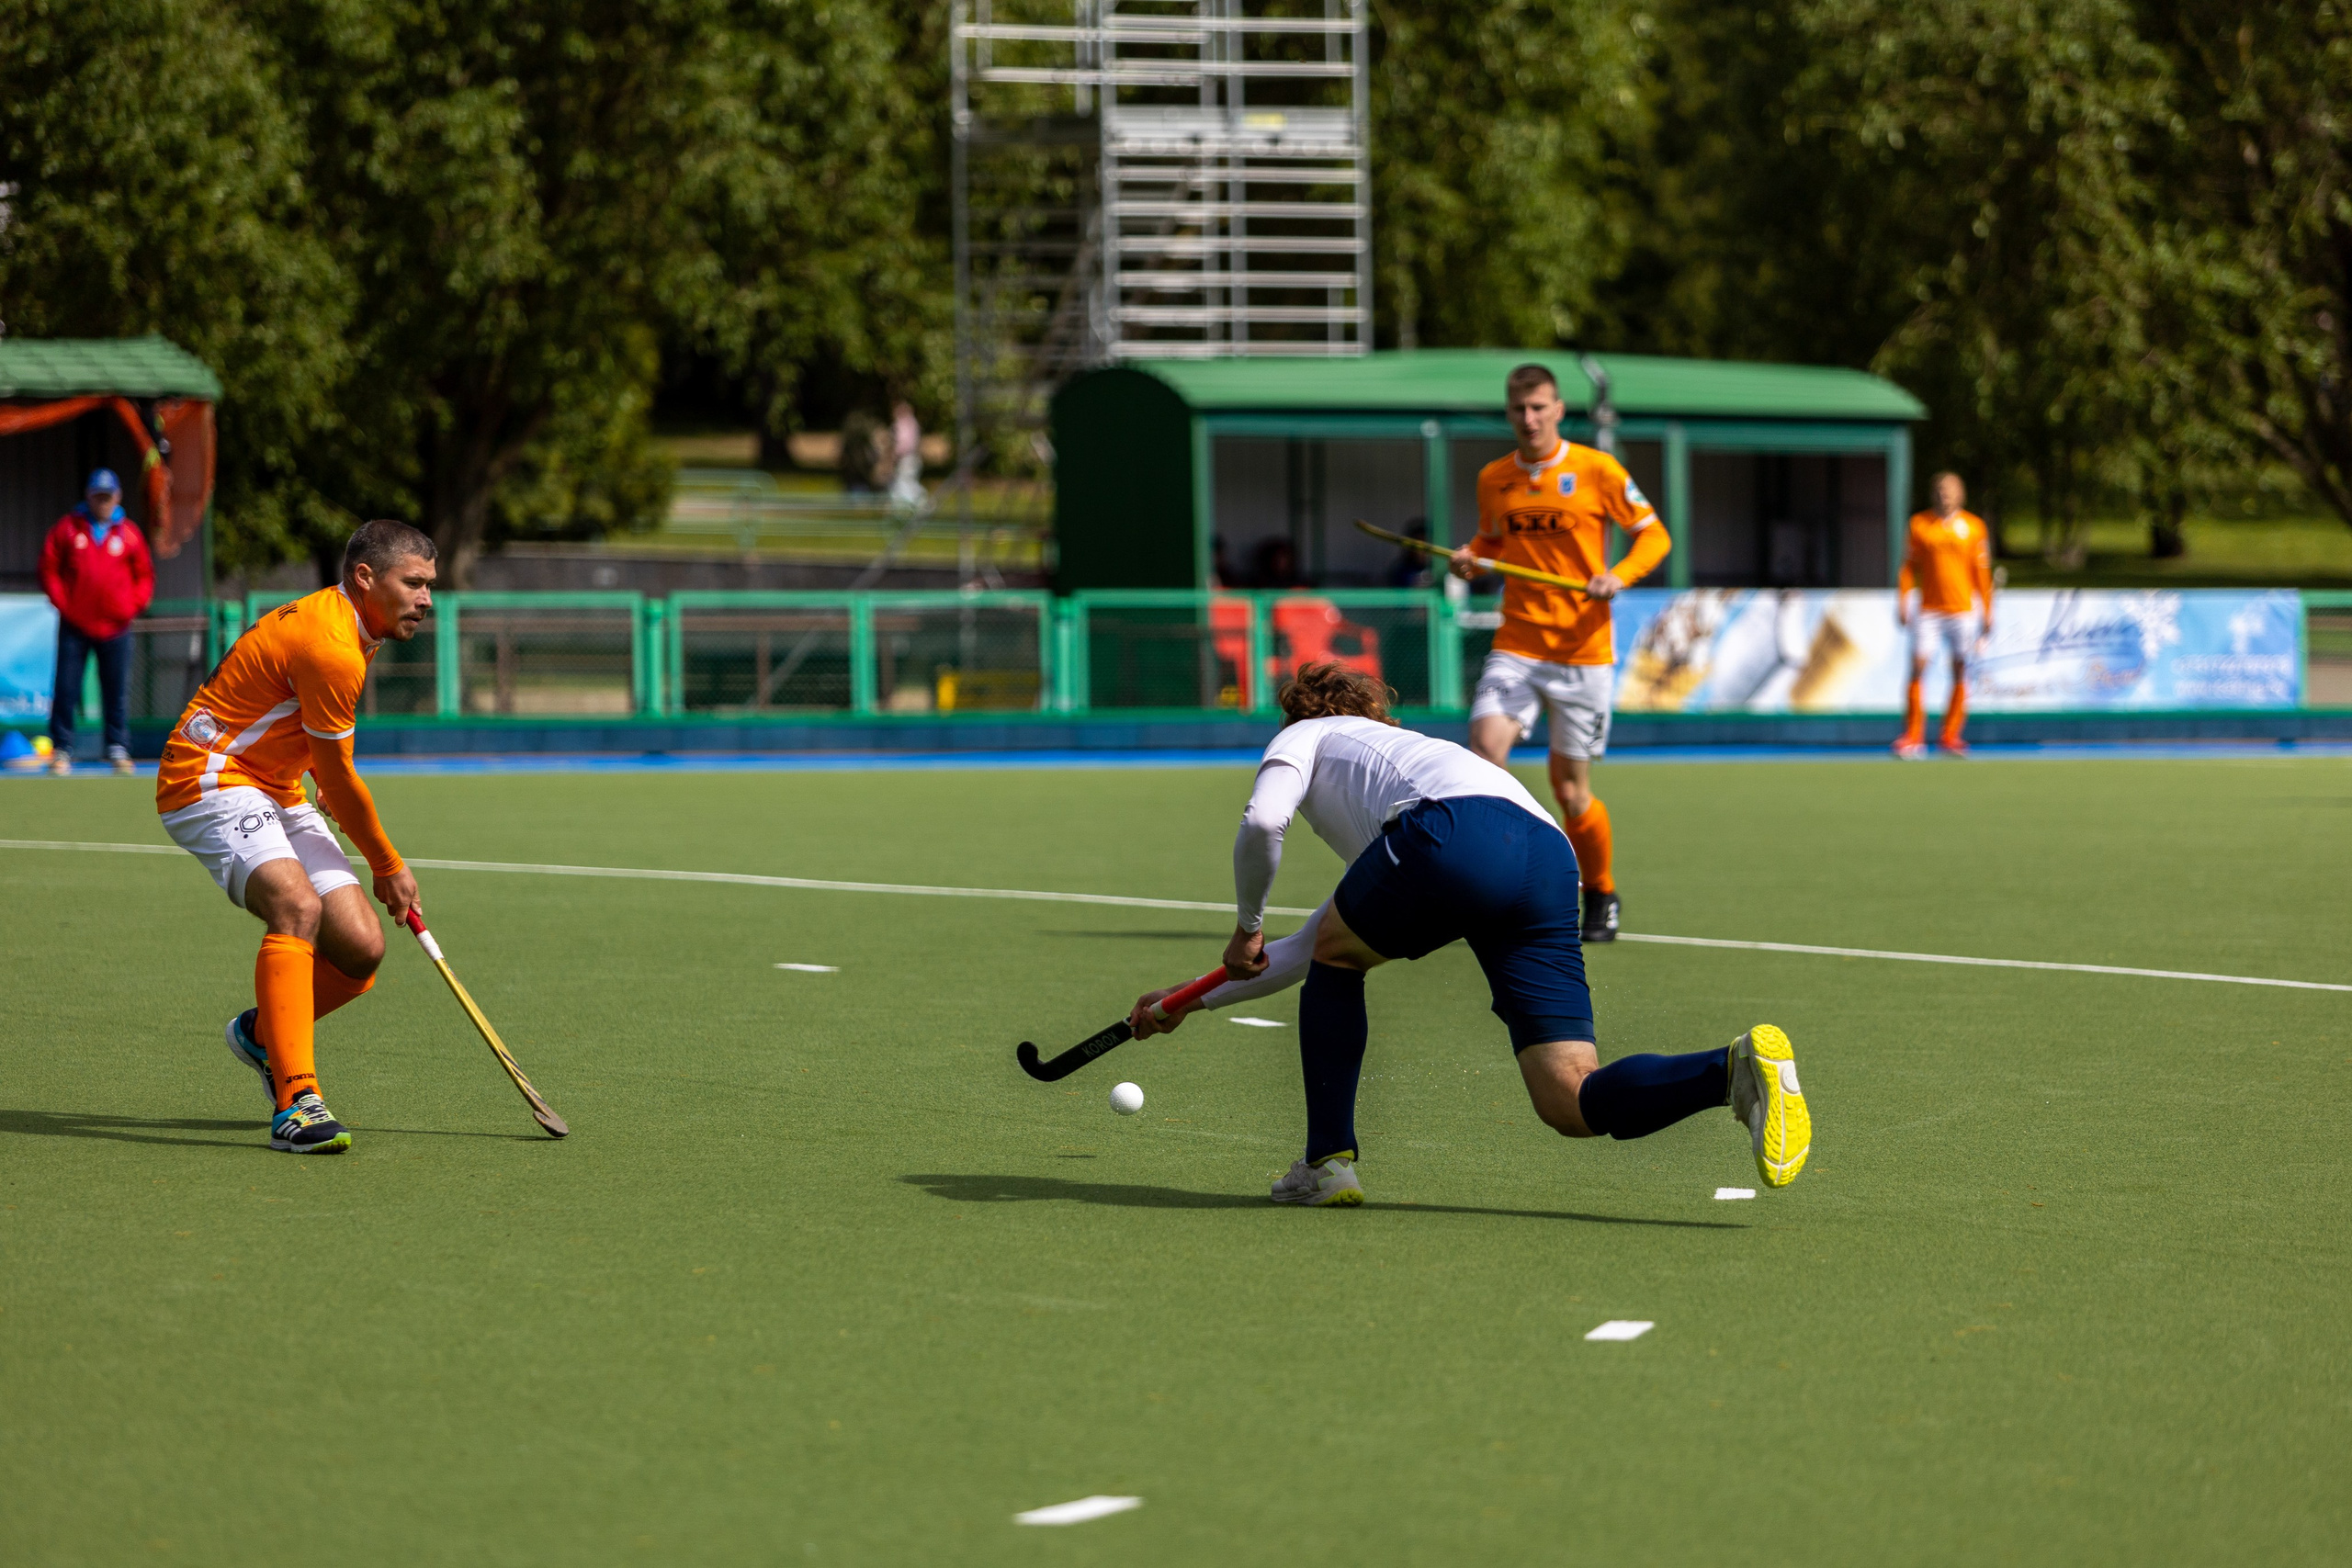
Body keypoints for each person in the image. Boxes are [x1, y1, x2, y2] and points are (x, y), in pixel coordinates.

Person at [1128, 662, 1810, 1207]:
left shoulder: (1306, 735)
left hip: (1455, 833)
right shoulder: (1416, 755)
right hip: (1547, 858)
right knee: (1569, 1098)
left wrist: (1246, 924)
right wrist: (1188, 1000)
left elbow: (1261, 823)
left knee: (1343, 957)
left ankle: (1326, 1162)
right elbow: (1312, 944)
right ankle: (1731, 1071)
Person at [154, 520, 437, 1154]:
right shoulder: (333, 645)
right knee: (297, 906)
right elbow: (339, 770)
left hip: (273, 783)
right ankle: (296, 1100)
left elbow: (313, 745)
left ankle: (260, 1034)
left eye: (429, 585)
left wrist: (323, 784)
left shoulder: (357, 629)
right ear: (365, 577)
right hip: (208, 775)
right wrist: (387, 864)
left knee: (362, 946)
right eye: (413, 583)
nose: (426, 598)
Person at [1449, 364, 1672, 943]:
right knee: (1482, 756)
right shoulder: (1495, 477)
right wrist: (1472, 555)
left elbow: (1655, 536)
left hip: (1583, 650)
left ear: (1558, 410)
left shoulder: (1597, 470)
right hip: (1518, 642)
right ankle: (1501, 885)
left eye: (1539, 408)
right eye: (1518, 409)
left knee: (1572, 792)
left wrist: (1617, 576)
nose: (1528, 419)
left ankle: (1599, 889)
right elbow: (1494, 539)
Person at [40, 468, 154, 776]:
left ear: (116, 497)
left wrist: (131, 606)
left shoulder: (129, 533)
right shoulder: (67, 529)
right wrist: (65, 604)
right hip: (75, 627)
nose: (102, 502)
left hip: (116, 627)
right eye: (97, 496)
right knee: (66, 687)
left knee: (115, 690)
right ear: (88, 496)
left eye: (107, 496)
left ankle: (117, 747)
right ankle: (62, 748)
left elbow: (144, 575)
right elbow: (49, 567)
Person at [1894, 471, 1995, 759]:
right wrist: (1902, 600)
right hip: (1929, 611)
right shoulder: (1920, 525)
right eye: (1940, 489)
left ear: (1960, 494)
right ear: (1932, 493)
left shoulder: (1974, 527)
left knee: (1960, 669)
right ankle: (1913, 737)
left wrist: (1988, 610)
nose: (1945, 494)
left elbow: (1982, 574)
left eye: (1950, 489)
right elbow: (1908, 568)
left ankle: (1950, 735)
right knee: (1917, 666)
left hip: (1962, 611)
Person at [888, 400, 926, 509]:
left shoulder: (903, 424)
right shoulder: (912, 423)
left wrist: (895, 454)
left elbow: (905, 444)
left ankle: (919, 501)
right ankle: (904, 506)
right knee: (903, 481)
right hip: (911, 457)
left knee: (905, 481)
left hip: (906, 458)